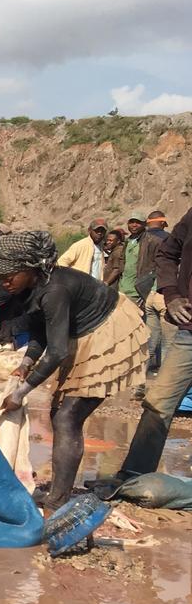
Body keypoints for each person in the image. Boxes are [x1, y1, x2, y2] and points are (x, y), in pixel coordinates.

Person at [0, 232, 147, 510]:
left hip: (106, 331)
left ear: (31, 268)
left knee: (67, 417)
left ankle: (58, 499)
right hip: (79, 333)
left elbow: (58, 351)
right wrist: (25, 365)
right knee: (57, 413)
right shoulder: (29, 288)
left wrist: (23, 392)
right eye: (1, 277)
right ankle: (60, 488)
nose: (5, 282)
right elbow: (41, 332)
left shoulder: (54, 291)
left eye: (10, 276)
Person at [116, 205, 192, 478]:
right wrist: (171, 293)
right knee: (159, 402)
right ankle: (133, 476)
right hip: (189, 332)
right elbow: (167, 253)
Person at [137, 211, 174, 378]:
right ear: (163, 223)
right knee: (169, 341)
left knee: (151, 338)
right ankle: (166, 378)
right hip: (164, 294)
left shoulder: (141, 239)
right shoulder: (167, 239)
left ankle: (142, 378)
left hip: (149, 294)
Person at [117, 211, 147, 305]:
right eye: (131, 222)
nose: (134, 225)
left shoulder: (148, 241)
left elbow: (154, 266)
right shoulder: (128, 241)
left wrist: (146, 291)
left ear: (144, 224)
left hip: (137, 293)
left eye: (138, 222)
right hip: (123, 289)